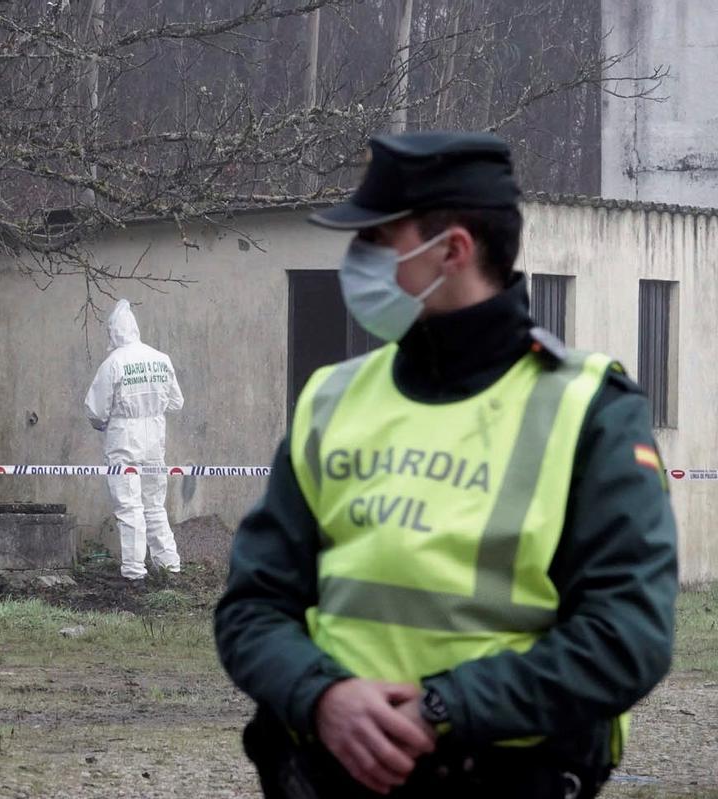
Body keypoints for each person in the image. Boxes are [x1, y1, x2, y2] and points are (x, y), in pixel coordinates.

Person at [213, 131, 678, 798]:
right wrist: (324, 697)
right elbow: (252, 606)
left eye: (377, 240)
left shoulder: (590, 410)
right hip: (325, 776)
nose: (355, 260)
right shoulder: (332, 398)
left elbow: (627, 634)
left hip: (502, 777)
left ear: (454, 251)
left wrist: (445, 708)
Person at [85, 299, 185, 581]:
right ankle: (170, 566)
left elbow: (95, 409)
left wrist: (104, 425)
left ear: (114, 332)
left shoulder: (114, 362)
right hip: (155, 439)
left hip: (123, 440)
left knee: (129, 507)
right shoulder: (160, 358)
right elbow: (176, 402)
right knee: (154, 505)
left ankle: (133, 573)